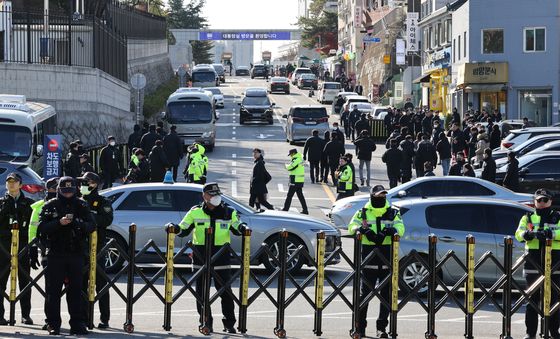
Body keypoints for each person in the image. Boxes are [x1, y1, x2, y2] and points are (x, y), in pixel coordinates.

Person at [168, 183, 248, 334]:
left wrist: (243, 227)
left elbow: (237, 226)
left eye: (217, 194)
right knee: (201, 293)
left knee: (225, 291)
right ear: (204, 196)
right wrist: (174, 228)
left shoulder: (228, 212)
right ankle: (206, 322)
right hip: (201, 256)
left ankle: (229, 323)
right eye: (212, 195)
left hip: (221, 256)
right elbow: (183, 229)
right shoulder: (195, 212)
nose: (216, 198)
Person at [38, 176, 95, 335]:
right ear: (59, 190)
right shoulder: (50, 206)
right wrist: (58, 223)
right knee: (53, 291)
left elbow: (91, 225)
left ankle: (77, 323)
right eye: (65, 191)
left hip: (76, 252)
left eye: (70, 191)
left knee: (76, 291)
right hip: (56, 253)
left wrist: (76, 223)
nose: (68, 194)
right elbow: (42, 229)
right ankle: (52, 323)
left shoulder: (82, 205)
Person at [348, 185, 405, 338]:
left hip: (386, 255)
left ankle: (382, 328)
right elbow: (351, 226)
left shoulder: (393, 212)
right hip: (368, 256)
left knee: (386, 295)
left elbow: (401, 227)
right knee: (364, 294)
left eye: (383, 196)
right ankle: (360, 327)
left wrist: (392, 231)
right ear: (372, 196)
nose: (381, 198)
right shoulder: (363, 212)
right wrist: (361, 229)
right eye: (378, 195)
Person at [515, 189, 560, 339]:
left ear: (550, 201)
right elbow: (518, 233)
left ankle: (554, 332)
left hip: (554, 264)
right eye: (539, 200)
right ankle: (530, 333)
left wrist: (551, 234)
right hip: (533, 263)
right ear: (534, 201)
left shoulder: (557, 217)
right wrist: (526, 235)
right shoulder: (527, 217)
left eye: (544, 200)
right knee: (531, 301)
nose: (541, 203)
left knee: (553, 300)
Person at [78, 172, 113, 329]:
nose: (84, 185)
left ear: (95, 184)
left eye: (87, 182)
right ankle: (85, 318)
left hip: (97, 247)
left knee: (101, 283)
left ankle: (104, 318)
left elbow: (106, 220)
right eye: (82, 182)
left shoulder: (101, 201)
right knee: (81, 284)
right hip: (80, 247)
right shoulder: (77, 200)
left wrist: (89, 217)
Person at [0, 173, 34, 325]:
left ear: (20, 185)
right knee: (1, 281)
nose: (11, 184)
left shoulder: (28, 203)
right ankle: (0, 315)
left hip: (23, 247)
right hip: (4, 248)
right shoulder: (1, 203)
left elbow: (34, 227)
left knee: (24, 281)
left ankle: (25, 314)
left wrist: (32, 250)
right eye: (9, 182)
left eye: (14, 182)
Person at [28, 177, 59, 330]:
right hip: (48, 250)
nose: (57, 191)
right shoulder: (40, 206)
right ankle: (50, 320)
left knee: (76, 289)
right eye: (54, 188)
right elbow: (33, 229)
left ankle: (81, 319)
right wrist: (33, 249)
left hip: (72, 251)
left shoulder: (73, 203)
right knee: (51, 289)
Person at [282, 149, 308, 214]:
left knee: (289, 195)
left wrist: (286, 166)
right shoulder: (300, 158)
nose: (290, 156)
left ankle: (285, 209)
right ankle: (305, 210)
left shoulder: (296, 159)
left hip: (295, 180)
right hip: (299, 180)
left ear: (293, 153)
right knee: (300, 196)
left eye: (290, 154)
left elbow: (290, 167)